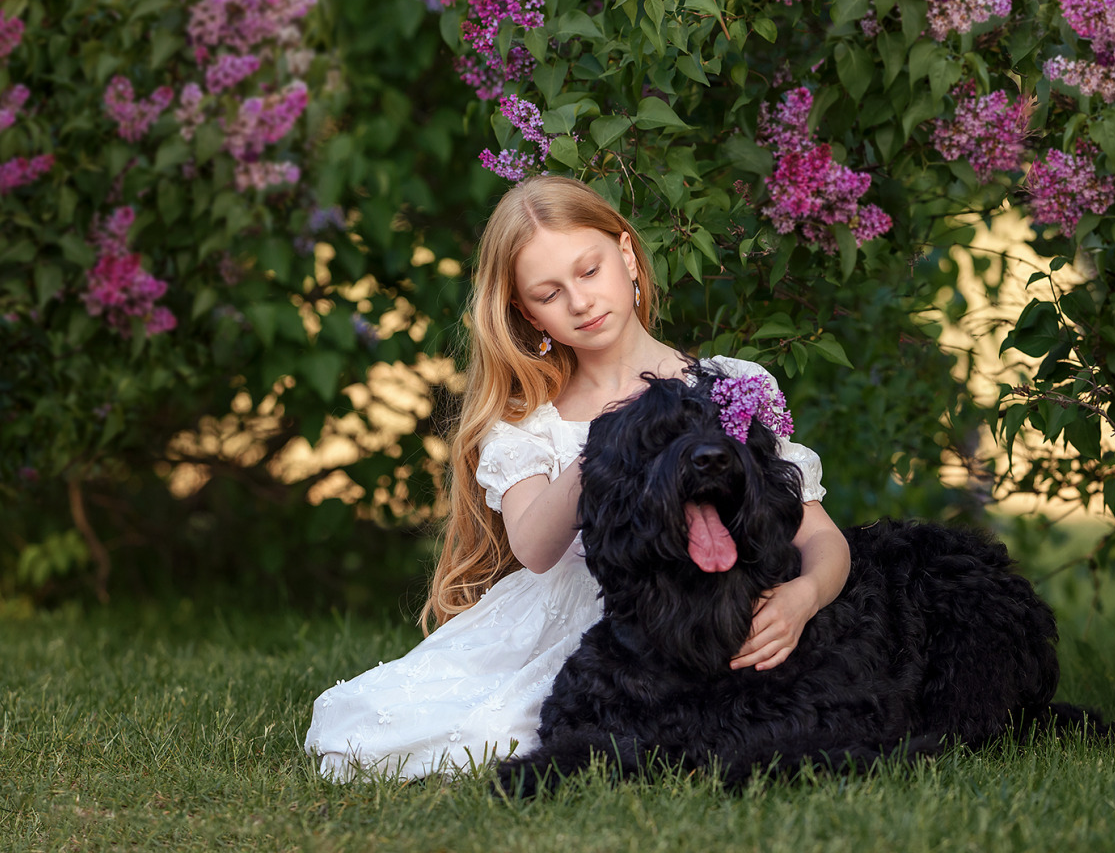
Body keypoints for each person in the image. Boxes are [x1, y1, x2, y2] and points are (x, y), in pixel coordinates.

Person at [304, 174, 851, 781]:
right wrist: (608, 442)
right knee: (457, 733)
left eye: (589, 271)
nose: (581, 302)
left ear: (626, 254)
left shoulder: (727, 385)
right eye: (549, 293)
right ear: (522, 310)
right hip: (568, 623)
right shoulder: (526, 420)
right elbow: (536, 550)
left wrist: (805, 596)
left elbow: (820, 535)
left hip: (691, 613)